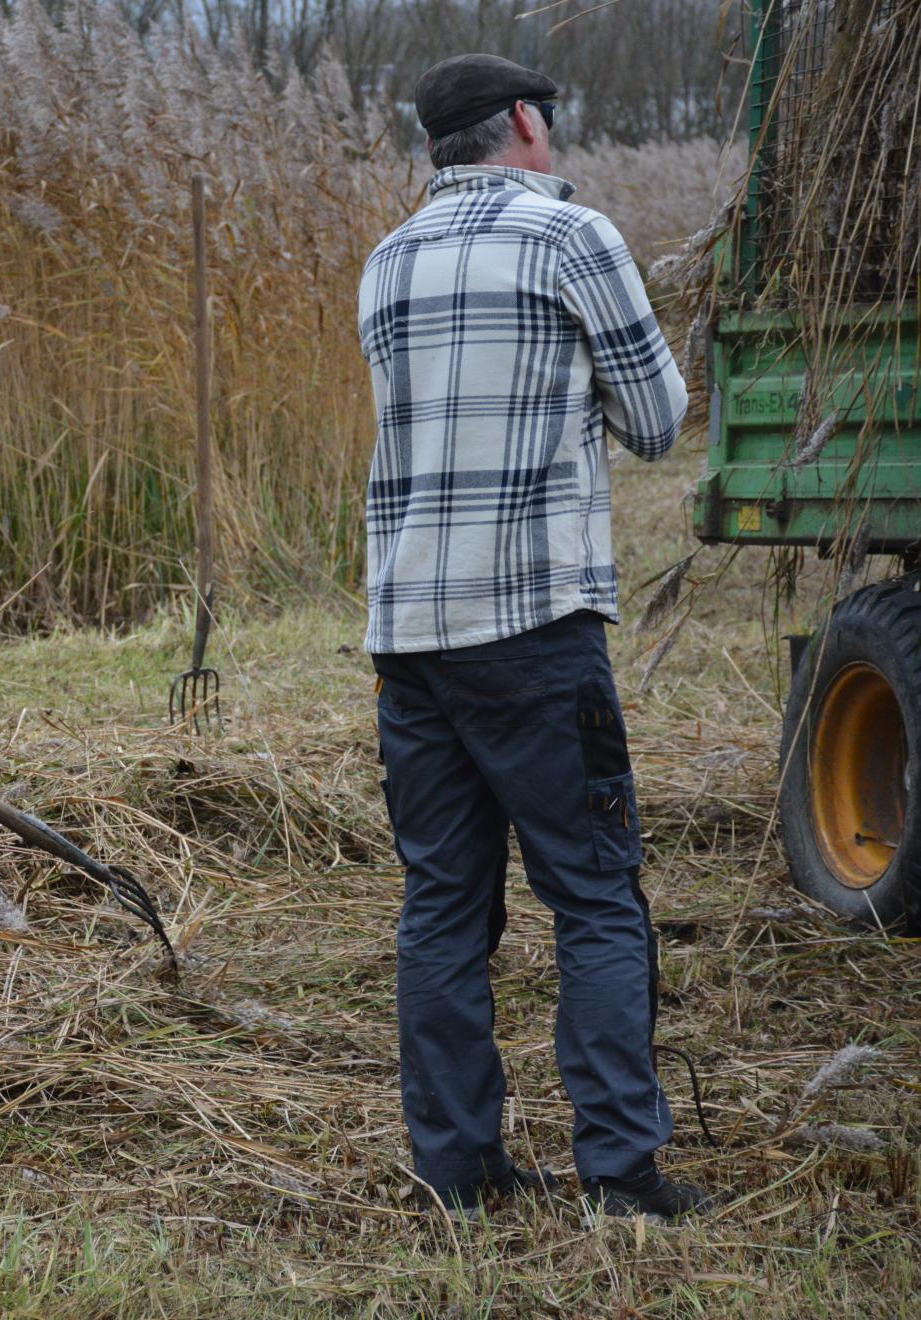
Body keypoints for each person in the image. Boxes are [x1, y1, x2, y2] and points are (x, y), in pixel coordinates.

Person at [356, 55, 717, 1221]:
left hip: (409, 632)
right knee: (598, 896)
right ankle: (622, 1175)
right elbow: (659, 422)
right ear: (522, 122)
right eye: (547, 120)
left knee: (444, 908)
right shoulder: (572, 237)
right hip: (532, 627)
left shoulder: (386, 259)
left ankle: (456, 1172)